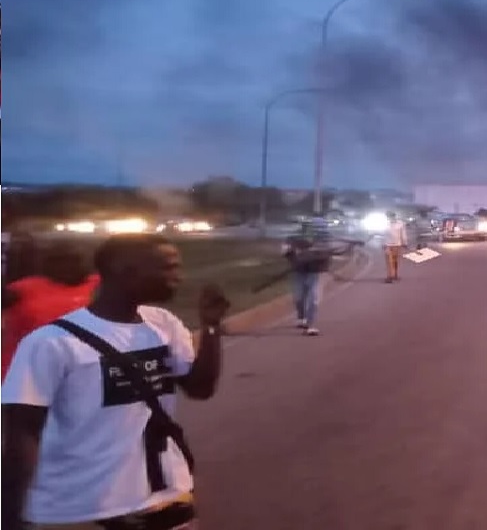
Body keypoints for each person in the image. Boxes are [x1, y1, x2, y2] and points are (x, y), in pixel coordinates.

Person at [1, 233, 230, 530]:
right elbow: (23, 435)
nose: (178, 277)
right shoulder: (51, 344)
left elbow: (200, 388)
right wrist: (10, 516)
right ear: (126, 270)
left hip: (166, 492)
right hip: (84, 507)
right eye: (168, 268)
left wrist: (211, 328)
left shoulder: (162, 323)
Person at [2, 242, 99, 379]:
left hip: (83, 373)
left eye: (74, 260)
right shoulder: (22, 289)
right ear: (46, 265)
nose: (68, 266)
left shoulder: (99, 285)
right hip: (27, 374)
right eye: (60, 261)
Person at [283, 225, 332, 336]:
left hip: (315, 274)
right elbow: (286, 253)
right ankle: (301, 317)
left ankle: (311, 325)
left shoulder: (322, 243)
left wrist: (311, 255)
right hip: (299, 273)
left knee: (313, 299)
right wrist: (292, 254)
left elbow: (325, 257)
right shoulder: (293, 241)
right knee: (298, 298)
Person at [383, 211, 407, 283]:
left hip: (397, 245)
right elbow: (382, 235)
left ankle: (395, 274)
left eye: (391, 216)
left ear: (394, 216)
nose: (390, 218)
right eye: (388, 216)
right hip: (388, 245)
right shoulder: (385, 224)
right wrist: (383, 244)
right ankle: (389, 276)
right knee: (389, 261)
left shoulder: (400, 224)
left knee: (395, 261)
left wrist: (405, 242)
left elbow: (403, 234)